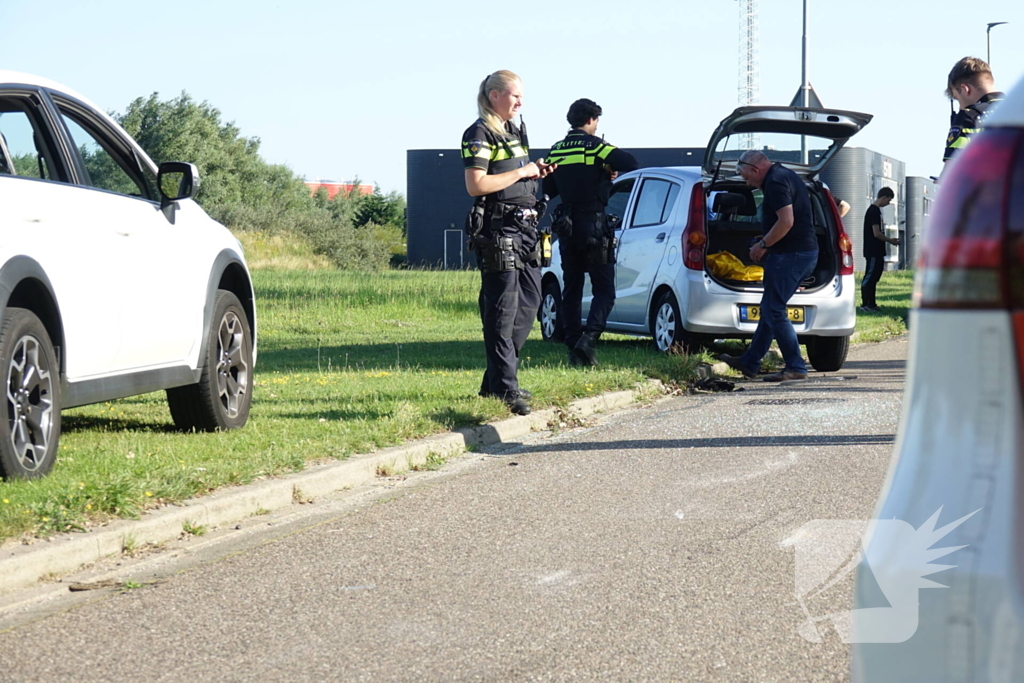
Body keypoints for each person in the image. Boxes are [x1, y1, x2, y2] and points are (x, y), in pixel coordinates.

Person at [462, 70, 555, 416]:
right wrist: (521, 172)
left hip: (527, 229)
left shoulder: (514, 130)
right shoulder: (479, 133)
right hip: (500, 232)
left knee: (530, 303)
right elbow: (476, 185)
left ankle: (496, 381)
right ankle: (505, 387)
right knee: (503, 311)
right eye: (515, 96)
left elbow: (517, 174)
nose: (520, 102)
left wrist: (536, 172)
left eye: (521, 96)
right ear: (495, 96)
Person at [542, 99, 638, 366]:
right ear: (592, 119)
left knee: (571, 289)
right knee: (604, 290)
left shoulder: (556, 150)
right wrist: (605, 168)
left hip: (567, 226)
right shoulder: (596, 146)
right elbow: (630, 161)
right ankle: (589, 339)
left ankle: (573, 346)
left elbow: (549, 188)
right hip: (594, 225)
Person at [718, 151, 818, 381]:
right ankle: (750, 362)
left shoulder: (774, 181)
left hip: (792, 255)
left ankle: (796, 366)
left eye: (746, 177)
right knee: (770, 308)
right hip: (798, 253)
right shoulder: (784, 175)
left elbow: (787, 221)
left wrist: (762, 244)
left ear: (754, 169)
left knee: (774, 309)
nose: (747, 182)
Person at [942, 57, 1005, 170]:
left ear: (965, 89)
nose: (960, 107)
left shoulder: (969, 116)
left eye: (958, 99)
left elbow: (950, 171)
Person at [859, 187, 898, 312]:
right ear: (884, 197)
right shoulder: (873, 211)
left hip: (878, 251)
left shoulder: (877, 211)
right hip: (873, 250)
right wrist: (891, 240)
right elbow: (876, 233)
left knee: (875, 276)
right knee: (870, 277)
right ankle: (866, 304)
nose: (888, 203)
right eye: (889, 200)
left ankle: (872, 303)